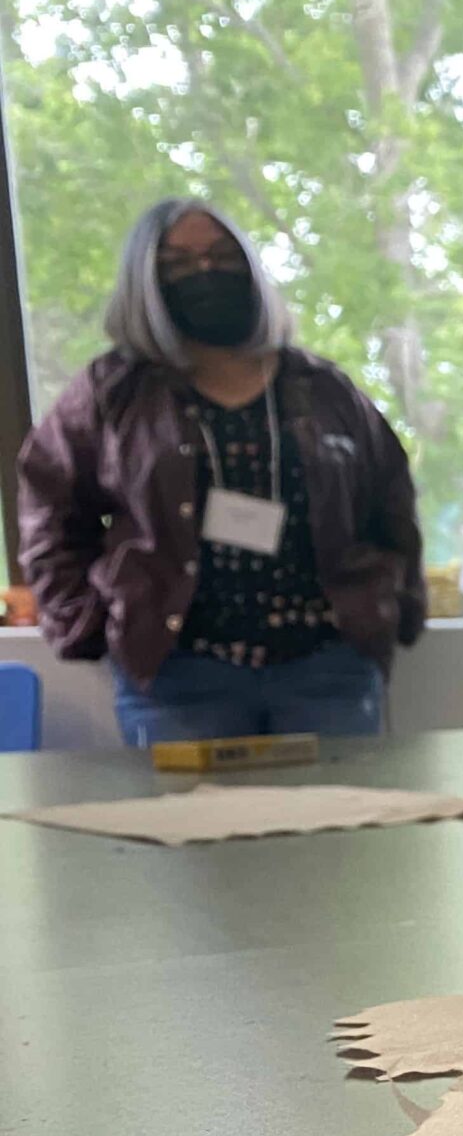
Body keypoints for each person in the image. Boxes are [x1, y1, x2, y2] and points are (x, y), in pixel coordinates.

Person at [18, 199, 424, 746]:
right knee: (190, 808)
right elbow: (48, 511)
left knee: (338, 806)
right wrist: (84, 621)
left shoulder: (326, 389)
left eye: (222, 256)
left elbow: (392, 504)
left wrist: (393, 605)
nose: (206, 272)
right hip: (178, 677)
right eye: (178, 263)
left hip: (329, 671)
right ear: (146, 281)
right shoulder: (112, 393)